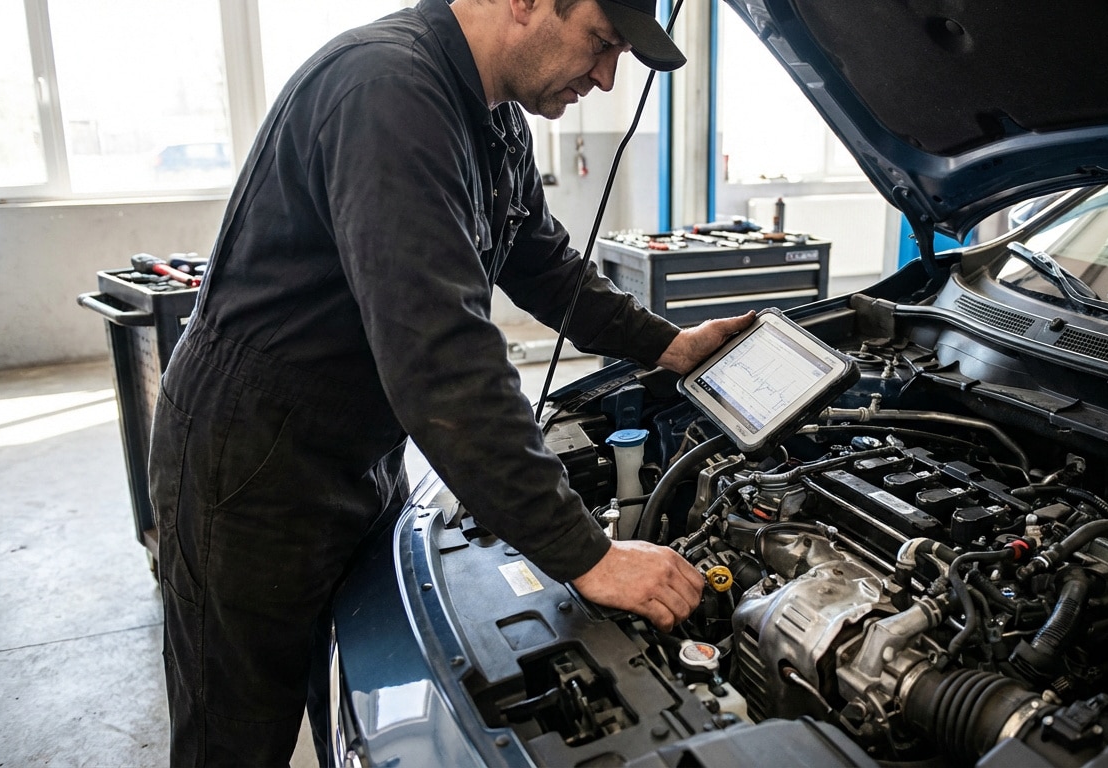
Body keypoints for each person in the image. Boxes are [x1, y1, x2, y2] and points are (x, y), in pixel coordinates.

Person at [146, 0, 755, 764]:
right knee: (236, 729)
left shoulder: (494, 117)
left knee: (334, 675)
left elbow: (543, 265)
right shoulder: (387, 92)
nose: (606, 78)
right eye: (601, 43)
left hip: (354, 444)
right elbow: (443, 361)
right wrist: (587, 555)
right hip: (253, 457)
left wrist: (666, 345)